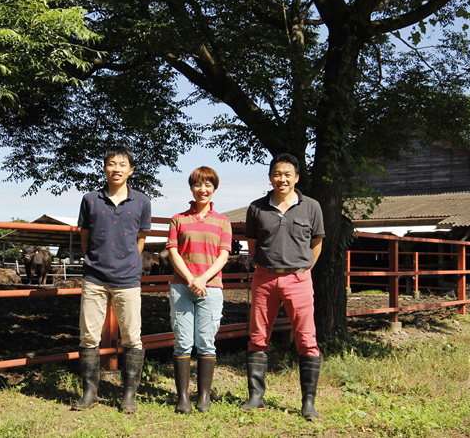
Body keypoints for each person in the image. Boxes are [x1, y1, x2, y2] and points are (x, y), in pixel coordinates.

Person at [241, 153, 325, 420]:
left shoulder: (311, 206)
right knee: (257, 336)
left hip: (298, 278)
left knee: (306, 339)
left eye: (288, 174)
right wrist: (265, 266)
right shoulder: (256, 207)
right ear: (270, 177)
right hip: (264, 278)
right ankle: (256, 396)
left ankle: (308, 402)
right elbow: (252, 244)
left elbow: (317, 243)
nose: (282, 179)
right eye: (277, 174)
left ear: (296, 178)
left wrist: (303, 268)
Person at [72, 145, 152, 413]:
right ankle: (89, 393)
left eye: (122, 165)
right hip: (94, 277)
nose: (116, 169)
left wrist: (128, 261)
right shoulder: (90, 199)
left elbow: (141, 238)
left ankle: (128, 394)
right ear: (104, 168)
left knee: (132, 337)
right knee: (88, 336)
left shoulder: (142, 201)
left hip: (128, 278)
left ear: (131, 170)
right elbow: (85, 237)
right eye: (111, 164)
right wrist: (93, 259)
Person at [166, 166, 232, 414]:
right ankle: (183, 397)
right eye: (197, 185)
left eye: (208, 185)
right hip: (182, 288)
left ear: (214, 189)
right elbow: (173, 251)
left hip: (211, 288)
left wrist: (202, 279)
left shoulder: (223, 222)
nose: (202, 190)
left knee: (206, 342)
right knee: (182, 342)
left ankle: (203, 395)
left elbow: (223, 255)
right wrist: (191, 278)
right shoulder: (178, 219)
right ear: (191, 188)